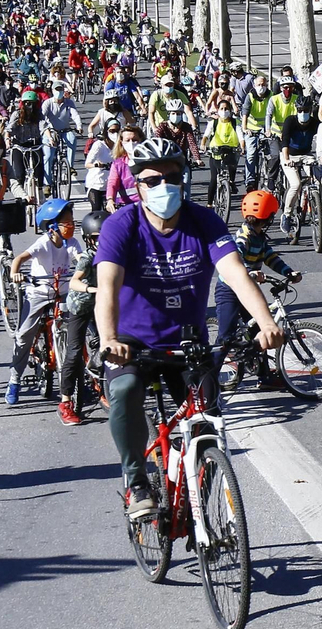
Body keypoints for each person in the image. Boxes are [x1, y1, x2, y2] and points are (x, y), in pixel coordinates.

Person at [95, 137, 285, 519]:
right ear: (137, 185)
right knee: (126, 390)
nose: (163, 186)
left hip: (188, 342)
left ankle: (200, 502)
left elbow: (236, 274)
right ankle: (137, 482)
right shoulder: (121, 225)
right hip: (132, 343)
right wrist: (109, 339)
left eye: (171, 177)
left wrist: (266, 323)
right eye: (153, 180)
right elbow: (107, 288)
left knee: (209, 420)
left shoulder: (204, 222)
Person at [5, 199, 83, 405]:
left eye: (72, 222)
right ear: (52, 226)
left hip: (63, 292)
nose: (71, 226)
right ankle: (14, 379)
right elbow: (19, 259)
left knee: (80, 323)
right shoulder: (43, 243)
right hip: (39, 293)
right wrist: (15, 273)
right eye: (66, 223)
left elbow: (81, 259)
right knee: (24, 335)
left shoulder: (72, 243)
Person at [214, 191, 301, 356]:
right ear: (268, 218)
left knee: (260, 333)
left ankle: (261, 370)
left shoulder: (259, 237)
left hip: (248, 290)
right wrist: (250, 272)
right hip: (229, 290)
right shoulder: (243, 236)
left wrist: (289, 272)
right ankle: (210, 371)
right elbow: (236, 259)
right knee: (226, 338)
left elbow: (271, 257)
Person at [59, 207, 106, 423]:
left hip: (101, 305)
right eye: (97, 238)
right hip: (80, 306)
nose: (101, 242)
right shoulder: (88, 258)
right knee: (74, 352)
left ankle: (105, 383)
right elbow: (74, 282)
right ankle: (66, 402)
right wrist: (92, 289)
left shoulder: (115, 256)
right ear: (88, 239)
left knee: (110, 342)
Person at [279, 97, 321, 240]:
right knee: (296, 184)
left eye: (306, 110)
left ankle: (313, 205)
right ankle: (287, 214)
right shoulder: (290, 121)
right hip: (289, 155)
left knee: (318, 180)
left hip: (306, 155)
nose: (303, 113)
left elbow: (321, 139)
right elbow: (284, 141)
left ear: (310, 110)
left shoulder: (315, 123)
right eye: (300, 110)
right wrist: (287, 160)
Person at [202, 98, 242, 208]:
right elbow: (206, 135)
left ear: (230, 110)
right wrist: (203, 144)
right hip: (215, 152)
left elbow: (240, 136)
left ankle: (231, 182)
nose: (224, 111)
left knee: (232, 164)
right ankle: (209, 204)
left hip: (230, 150)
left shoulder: (235, 122)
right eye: (222, 109)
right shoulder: (213, 122)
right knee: (214, 179)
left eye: (226, 109)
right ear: (218, 110)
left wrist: (243, 147)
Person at [41, 82, 83, 183]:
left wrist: (79, 126)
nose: (59, 92)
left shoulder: (69, 102)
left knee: (72, 139)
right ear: (52, 91)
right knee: (48, 156)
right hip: (51, 131)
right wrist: (48, 133)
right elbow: (42, 118)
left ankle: (70, 166)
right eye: (57, 90)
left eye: (60, 90)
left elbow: (75, 115)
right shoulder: (47, 103)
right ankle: (47, 183)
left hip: (65, 130)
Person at [106, 124, 145, 210]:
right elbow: (112, 183)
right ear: (121, 142)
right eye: (127, 140)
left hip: (146, 205)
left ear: (141, 140)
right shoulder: (118, 164)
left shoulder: (148, 162)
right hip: (125, 206)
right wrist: (110, 200)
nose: (131, 143)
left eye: (134, 140)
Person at [83, 125, 114, 218]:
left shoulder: (120, 145)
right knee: (96, 211)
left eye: (117, 130)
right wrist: (96, 165)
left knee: (111, 212)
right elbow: (87, 164)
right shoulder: (99, 145)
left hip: (110, 185)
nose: (115, 133)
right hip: (95, 185)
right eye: (112, 131)